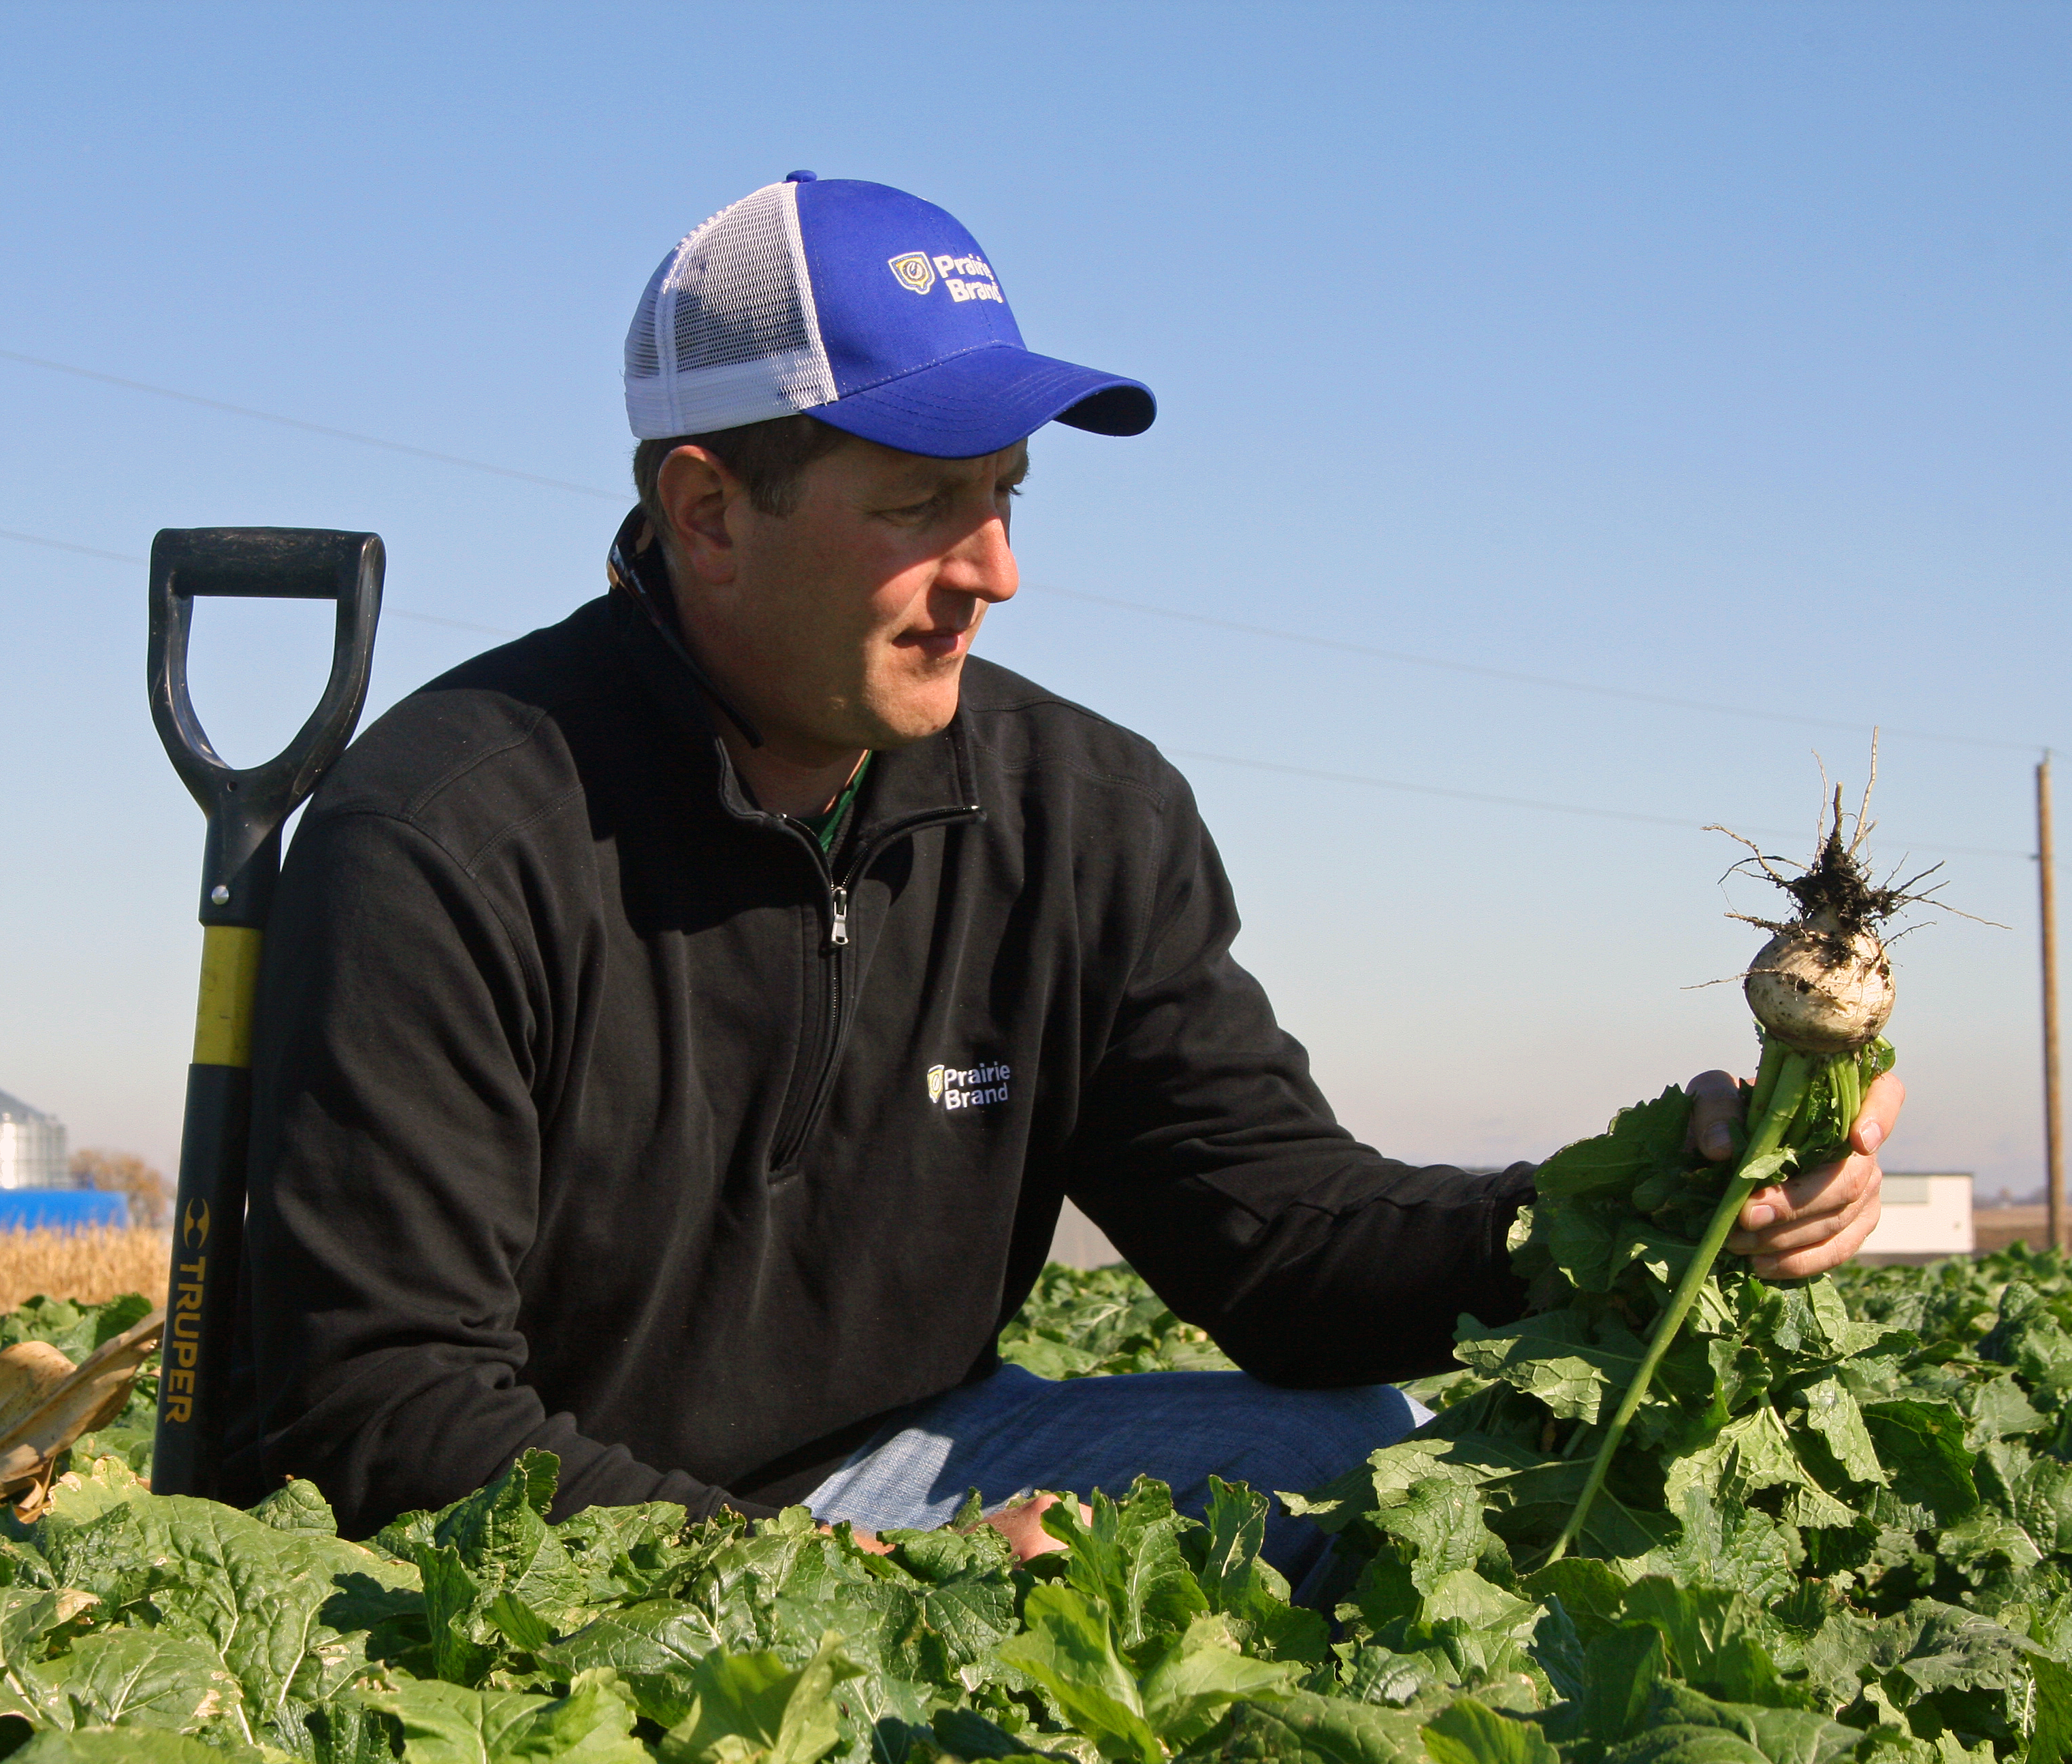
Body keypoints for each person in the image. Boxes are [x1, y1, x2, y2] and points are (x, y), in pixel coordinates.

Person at [236, 173, 1903, 1580]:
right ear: (708, 509)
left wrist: (1636, 1198)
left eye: (1008, 496)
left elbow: (1285, 1241)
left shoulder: (1083, 811)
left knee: (1369, 1457)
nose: (999, 572)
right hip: (572, 1524)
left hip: (908, 1456)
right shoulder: (445, 838)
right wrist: (841, 1588)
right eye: (923, 505)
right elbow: (388, 1405)